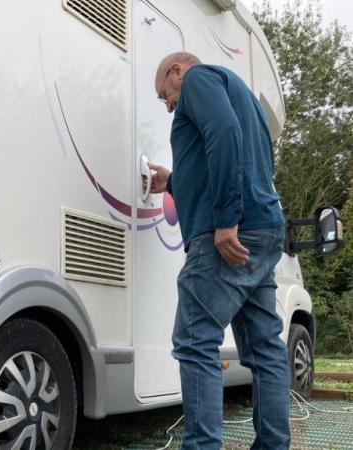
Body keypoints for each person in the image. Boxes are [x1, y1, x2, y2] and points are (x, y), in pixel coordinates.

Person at [147, 52, 290, 449]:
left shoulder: (199, 79)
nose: (169, 105)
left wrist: (226, 219)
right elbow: (235, 151)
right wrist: (173, 181)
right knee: (265, 349)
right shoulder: (245, 98)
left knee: (195, 340)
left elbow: (223, 132)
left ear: (177, 70)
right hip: (264, 230)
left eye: (164, 95)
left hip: (230, 233)